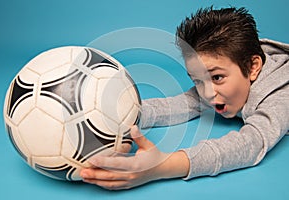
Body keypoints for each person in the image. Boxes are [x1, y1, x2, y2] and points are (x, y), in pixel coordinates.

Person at [80, 6, 289, 190]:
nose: (207, 93)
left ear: (253, 67)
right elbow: (181, 104)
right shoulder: (224, 76)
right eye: (198, 80)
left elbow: (251, 143)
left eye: (217, 77)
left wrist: (160, 166)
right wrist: (113, 116)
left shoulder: (281, 93)